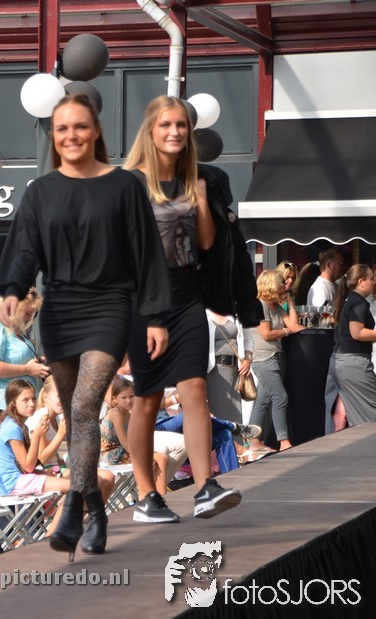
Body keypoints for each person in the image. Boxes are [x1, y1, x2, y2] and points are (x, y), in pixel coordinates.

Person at [0, 93, 172, 558]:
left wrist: (156, 315)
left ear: (96, 131)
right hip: (60, 310)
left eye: (79, 126)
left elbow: (147, 253)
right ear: (53, 137)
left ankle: (73, 504)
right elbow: (24, 249)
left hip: (110, 305)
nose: (71, 135)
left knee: (86, 404)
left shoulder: (125, 185)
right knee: (78, 420)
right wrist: (12, 288)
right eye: (62, 128)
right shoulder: (40, 192)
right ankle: (96, 510)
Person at [123, 95, 241, 524]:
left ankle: (206, 487)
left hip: (188, 295)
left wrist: (201, 197)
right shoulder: (130, 183)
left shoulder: (196, 180)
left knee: (195, 389)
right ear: (151, 131)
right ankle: (146, 496)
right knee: (148, 398)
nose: (174, 132)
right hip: (145, 303)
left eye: (181, 125)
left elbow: (206, 242)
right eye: (166, 125)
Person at [0, 379, 75, 537]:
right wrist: (37, 436)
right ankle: (52, 534)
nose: (31, 404)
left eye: (33, 399)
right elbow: (27, 466)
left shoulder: (16, 424)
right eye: (25, 400)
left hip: (19, 478)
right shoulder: (12, 427)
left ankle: (55, 531)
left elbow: (26, 465)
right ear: (13, 403)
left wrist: (41, 472)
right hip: (12, 483)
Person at [99, 377, 186, 495]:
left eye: (131, 396)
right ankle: (161, 495)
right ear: (114, 399)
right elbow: (125, 442)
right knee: (161, 458)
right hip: (113, 453)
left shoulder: (126, 413)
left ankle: (157, 493)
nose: (128, 401)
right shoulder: (116, 414)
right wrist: (143, 454)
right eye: (123, 397)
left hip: (123, 449)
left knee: (161, 457)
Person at [0, 289, 48, 413]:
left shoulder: (14, 331)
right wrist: (28, 369)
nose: (30, 319)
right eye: (28, 313)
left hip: (15, 405)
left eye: (34, 314)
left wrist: (37, 364)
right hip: (1, 406)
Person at [252, 270, 305, 451]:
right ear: (272, 285)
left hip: (274, 357)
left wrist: (290, 303)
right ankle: (283, 441)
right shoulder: (261, 305)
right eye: (281, 282)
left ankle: (253, 443)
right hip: (263, 359)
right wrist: (287, 331)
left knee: (263, 401)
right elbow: (266, 334)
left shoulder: (274, 306)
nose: (284, 285)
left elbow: (294, 324)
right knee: (280, 397)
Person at [332, 264, 376, 425]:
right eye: (371, 279)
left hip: (342, 361)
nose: (374, 282)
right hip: (354, 363)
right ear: (361, 281)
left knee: (358, 418)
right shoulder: (358, 302)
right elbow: (356, 332)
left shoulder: (349, 299)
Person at [205, 309, 254, 425]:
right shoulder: (204, 315)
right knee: (215, 412)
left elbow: (248, 339)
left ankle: (234, 436)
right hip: (213, 371)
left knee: (235, 413)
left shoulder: (236, 314)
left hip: (235, 371)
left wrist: (248, 360)